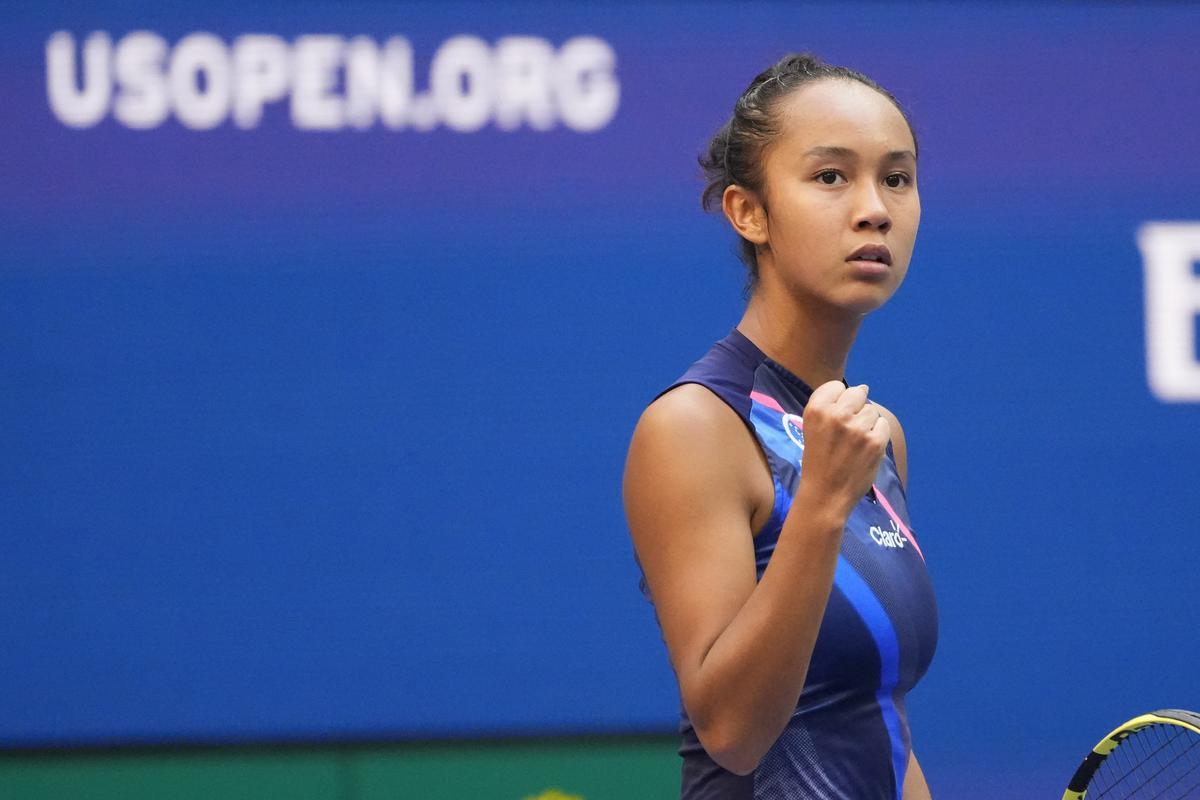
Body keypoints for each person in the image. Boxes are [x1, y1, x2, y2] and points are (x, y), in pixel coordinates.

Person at [622, 54, 939, 799]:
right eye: (831, 177)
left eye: (897, 178)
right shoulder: (694, 426)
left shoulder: (874, 435)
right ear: (748, 212)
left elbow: (875, 719)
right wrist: (821, 505)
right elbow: (732, 731)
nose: (875, 209)